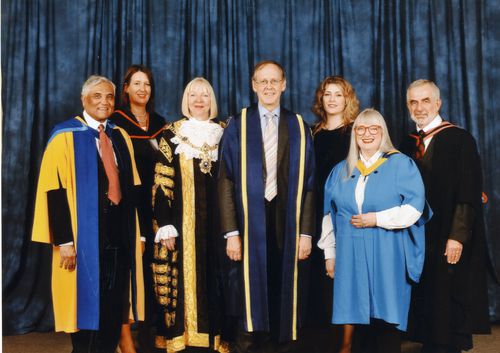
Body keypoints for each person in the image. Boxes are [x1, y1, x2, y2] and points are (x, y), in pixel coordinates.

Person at [31, 75, 145, 353]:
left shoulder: (120, 136)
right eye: (97, 96)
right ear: (83, 100)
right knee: (84, 312)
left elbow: (133, 189)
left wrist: (138, 234)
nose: (104, 102)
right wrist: (65, 241)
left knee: (113, 307)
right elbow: (54, 192)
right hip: (82, 240)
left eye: (109, 97)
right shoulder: (65, 136)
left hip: (119, 236)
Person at [218, 60, 315, 353]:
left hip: (288, 219)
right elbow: (225, 180)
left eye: (275, 81)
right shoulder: (237, 123)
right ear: (254, 85)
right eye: (263, 81)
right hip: (248, 221)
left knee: (282, 291)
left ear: (284, 85)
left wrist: (307, 234)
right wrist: (231, 232)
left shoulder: (298, 125)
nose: (269, 87)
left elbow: (310, 183)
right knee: (250, 293)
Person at [319, 108, 430, 353]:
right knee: (356, 314)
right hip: (350, 253)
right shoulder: (342, 170)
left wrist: (376, 218)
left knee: (385, 317)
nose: (367, 134)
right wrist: (330, 254)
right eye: (361, 128)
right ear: (354, 134)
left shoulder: (401, 164)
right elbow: (330, 214)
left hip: (387, 250)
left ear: (383, 133)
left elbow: (414, 209)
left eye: (374, 128)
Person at [400, 79, 490, 353]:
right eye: (413, 102)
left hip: (447, 232)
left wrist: (457, 237)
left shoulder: (459, 139)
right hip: (417, 234)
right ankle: (431, 342)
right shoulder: (406, 142)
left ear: (438, 103)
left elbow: (469, 192)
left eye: (426, 100)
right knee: (426, 292)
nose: (419, 107)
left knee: (449, 293)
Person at [152, 77, 229, 353]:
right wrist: (166, 224)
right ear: (186, 99)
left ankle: (216, 340)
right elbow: (162, 182)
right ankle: (184, 339)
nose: (199, 100)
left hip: (221, 225)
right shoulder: (171, 134)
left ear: (212, 101)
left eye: (205, 95)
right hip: (184, 224)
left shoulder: (225, 132)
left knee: (218, 279)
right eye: (193, 94)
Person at [110, 64, 167, 353]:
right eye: (137, 84)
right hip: (130, 209)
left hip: (158, 209)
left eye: (147, 84)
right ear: (127, 89)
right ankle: (125, 340)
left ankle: (150, 338)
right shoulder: (116, 123)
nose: (142, 89)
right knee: (128, 276)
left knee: (153, 277)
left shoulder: (160, 123)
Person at [301, 76, 360, 353]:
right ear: (321, 99)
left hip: (344, 212)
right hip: (314, 212)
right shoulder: (311, 132)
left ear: (347, 99)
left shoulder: (355, 132)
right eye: (328, 94)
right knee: (317, 279)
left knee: (344, 279)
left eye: (338, 94)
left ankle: (346, 345)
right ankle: (320, 342)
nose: (333, 99)